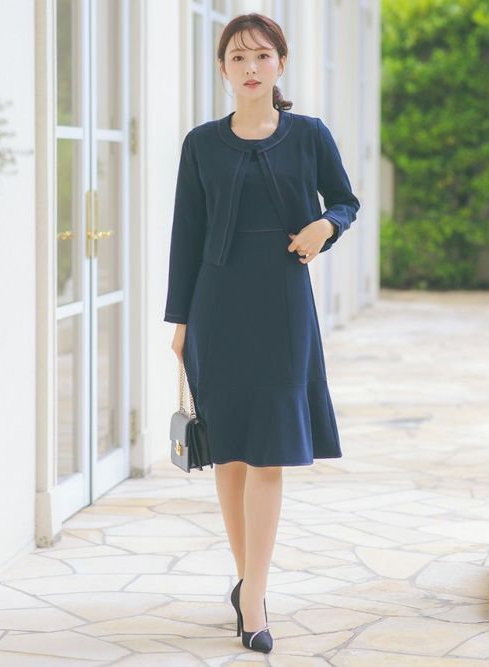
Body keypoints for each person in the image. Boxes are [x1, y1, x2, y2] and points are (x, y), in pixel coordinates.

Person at [163, 12, 360, 654]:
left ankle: (253, 597)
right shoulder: (200, 143)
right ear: (223, 69)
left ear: (281, 64)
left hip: (281, 306)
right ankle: (250, 584)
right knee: (228, 452)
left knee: (269, 451)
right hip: (216, 307)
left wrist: (325, 228)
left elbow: (346, 201)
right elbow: (186, 236)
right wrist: (180, 322)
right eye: (238, 57)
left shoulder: (311, 135)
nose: (251, 68)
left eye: (262, 56)